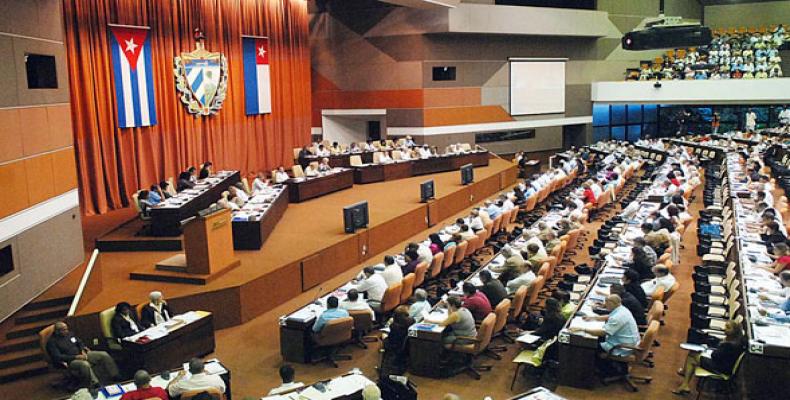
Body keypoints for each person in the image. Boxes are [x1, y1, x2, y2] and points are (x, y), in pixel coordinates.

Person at [673, 321, 745, 395]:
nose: (724, 329)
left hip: (720, 368)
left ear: (734, 331)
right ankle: (685, 376)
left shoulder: (729, 345)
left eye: (728, 328)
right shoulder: (737, 341)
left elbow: (714, 355)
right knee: (694, 353)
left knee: (692, 355)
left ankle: (685, 384)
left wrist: (708, 350)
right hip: (724, 364)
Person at [46, 322, 119, 389]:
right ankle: (95, 383)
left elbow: (80, 342)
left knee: (103, 354)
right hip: (70, 361)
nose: (67, 331)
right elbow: (57, 357)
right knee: (85, 364)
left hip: (82, 354)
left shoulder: (70, 334)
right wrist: (75, 357)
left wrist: (82, 350)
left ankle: (115, 375)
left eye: (67, 329)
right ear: (58, 331)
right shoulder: (52, 342)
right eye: (64, 330)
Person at [570, 295, 640, 365]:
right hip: (628, 341)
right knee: (593, 340)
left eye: (607, 303)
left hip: (621, 347)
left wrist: (582, 329)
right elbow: (609, 317)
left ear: (612, 303)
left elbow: (603, 332)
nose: (605, 306)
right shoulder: (622, 309)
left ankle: (595, 368)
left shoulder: (617, 318)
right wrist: (592, 318)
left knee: (587, 345)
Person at [382, 306, 415, 374]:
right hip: (404, 346)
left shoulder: (393, 326)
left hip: (393, 345)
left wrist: (389, 323)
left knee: (383, 334)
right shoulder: (412, 321)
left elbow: (391, 338)